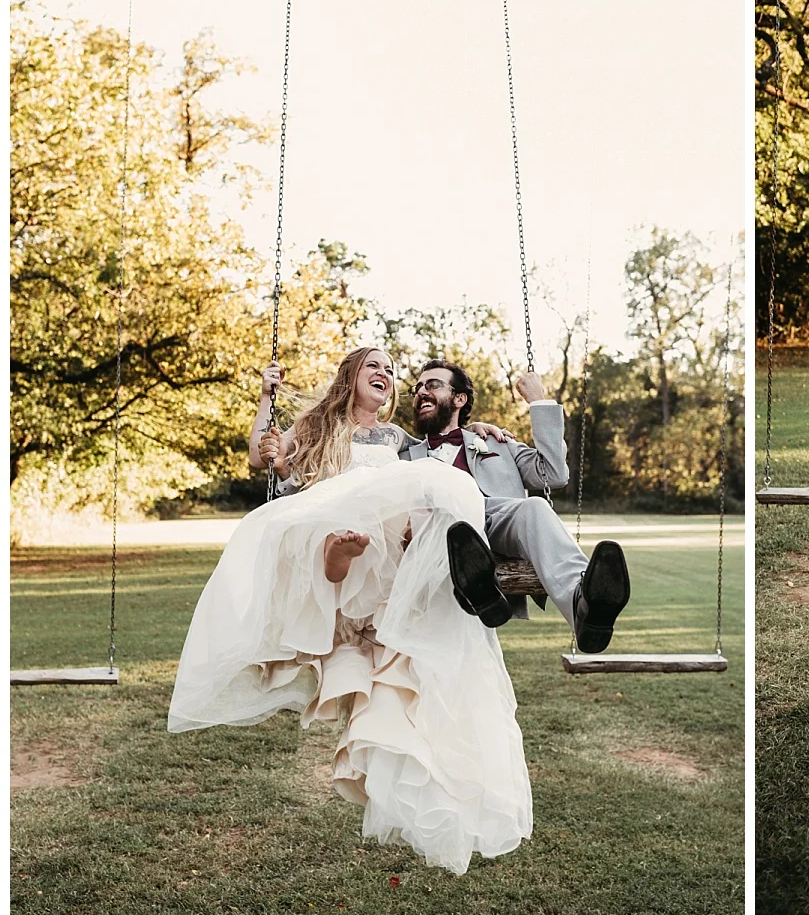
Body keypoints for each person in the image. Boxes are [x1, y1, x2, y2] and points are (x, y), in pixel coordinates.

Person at [168, 346, 531, 874]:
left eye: (390, 370)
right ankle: (339, 557)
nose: (385, 374)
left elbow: (443, 447)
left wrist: (483, 428)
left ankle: (441, 563)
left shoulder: (400, 441)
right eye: (373, 367)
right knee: (346, 519)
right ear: (351, 377)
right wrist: (267, 397)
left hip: (387, 548)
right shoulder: (318, 424)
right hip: (330, 521)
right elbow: (262, 457)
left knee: (439, 487)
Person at [404, 361, 630, 651]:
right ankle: (482, 592)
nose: (422, 391)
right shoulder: (405, 455)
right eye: (418, 388)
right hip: (446, 534)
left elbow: (554, 474)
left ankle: (585, 609)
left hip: (497, 521)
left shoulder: (496, 442)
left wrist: (538, 400)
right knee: (454, 521)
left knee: (534, 506)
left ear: (459, 399)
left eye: (432, 385)